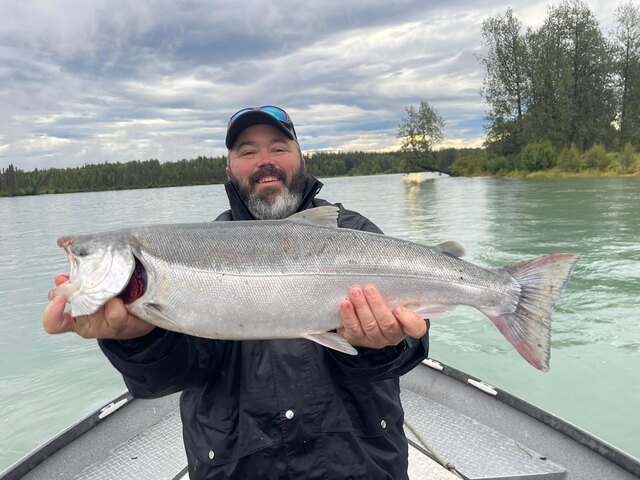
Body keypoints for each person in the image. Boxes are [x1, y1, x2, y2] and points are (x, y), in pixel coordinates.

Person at [43, 105, 430, 479]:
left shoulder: (356, 233)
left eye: (279, 148)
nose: (266, 159)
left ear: (301, 158)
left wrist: (377, 346)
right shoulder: (199, 246)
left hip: (359, 466)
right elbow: (167, 377)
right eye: (248, 151)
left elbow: (414, 344)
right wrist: (136, 342)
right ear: (230, 169)